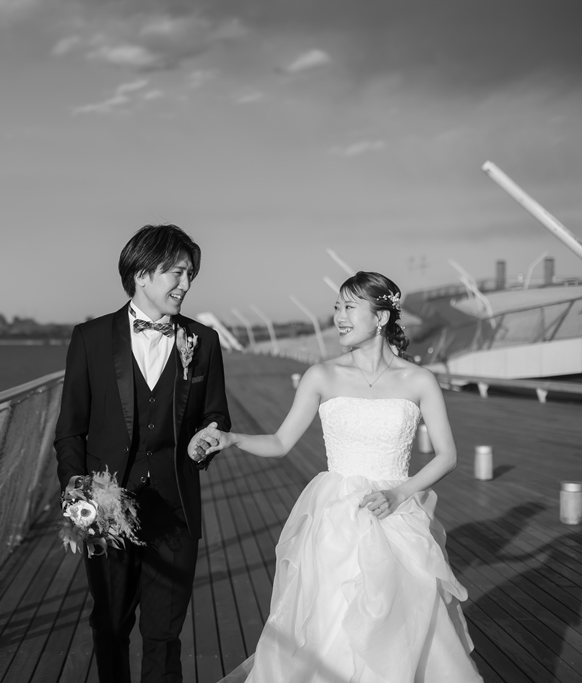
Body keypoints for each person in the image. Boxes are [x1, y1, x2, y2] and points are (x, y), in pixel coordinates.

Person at [198, 271, 483, 683]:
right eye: (336, 307)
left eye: (349, 307)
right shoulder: (321, 375)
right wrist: (232, 438)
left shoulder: (419, 380)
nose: (339, 317)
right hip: (336, 522)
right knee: (328, 623)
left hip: (397, 517)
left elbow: (447, 456)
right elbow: (280, 441)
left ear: (380, 317)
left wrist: (399, 493)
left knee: (403, 625)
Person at [54, 224, 231, 683]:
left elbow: (217, 415)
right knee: (110, 625)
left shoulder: (204, 342)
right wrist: (76, 493)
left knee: (164, 634)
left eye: (190, 274)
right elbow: (70, 430)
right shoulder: (90, 338)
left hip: (175, 509)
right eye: (177, 273)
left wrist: (205, 441)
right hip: (106, 511)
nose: (186, 284)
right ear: (141, 275)